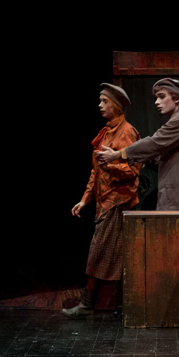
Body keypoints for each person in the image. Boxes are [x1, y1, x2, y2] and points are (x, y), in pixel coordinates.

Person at [64, 83, 141, 318]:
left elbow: (134, 170)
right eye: (100, 101)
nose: (100, 105)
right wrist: (85, 200)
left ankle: (89, 304)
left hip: (117, 201)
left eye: (104, 101)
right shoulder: (106, 132)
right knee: (111, 254)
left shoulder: (126, 132)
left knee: (100, 253)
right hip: (104, 201)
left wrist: (111, 165)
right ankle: (113, 305)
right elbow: (95, 172)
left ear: (115, 105)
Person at [96, 78, 179, 211]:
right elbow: (162, 155)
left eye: (162, 96)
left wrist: (118, 154)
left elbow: (154, 143)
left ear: (177, 98)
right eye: (156, 97)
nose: (156, 102)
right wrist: (141, 159)